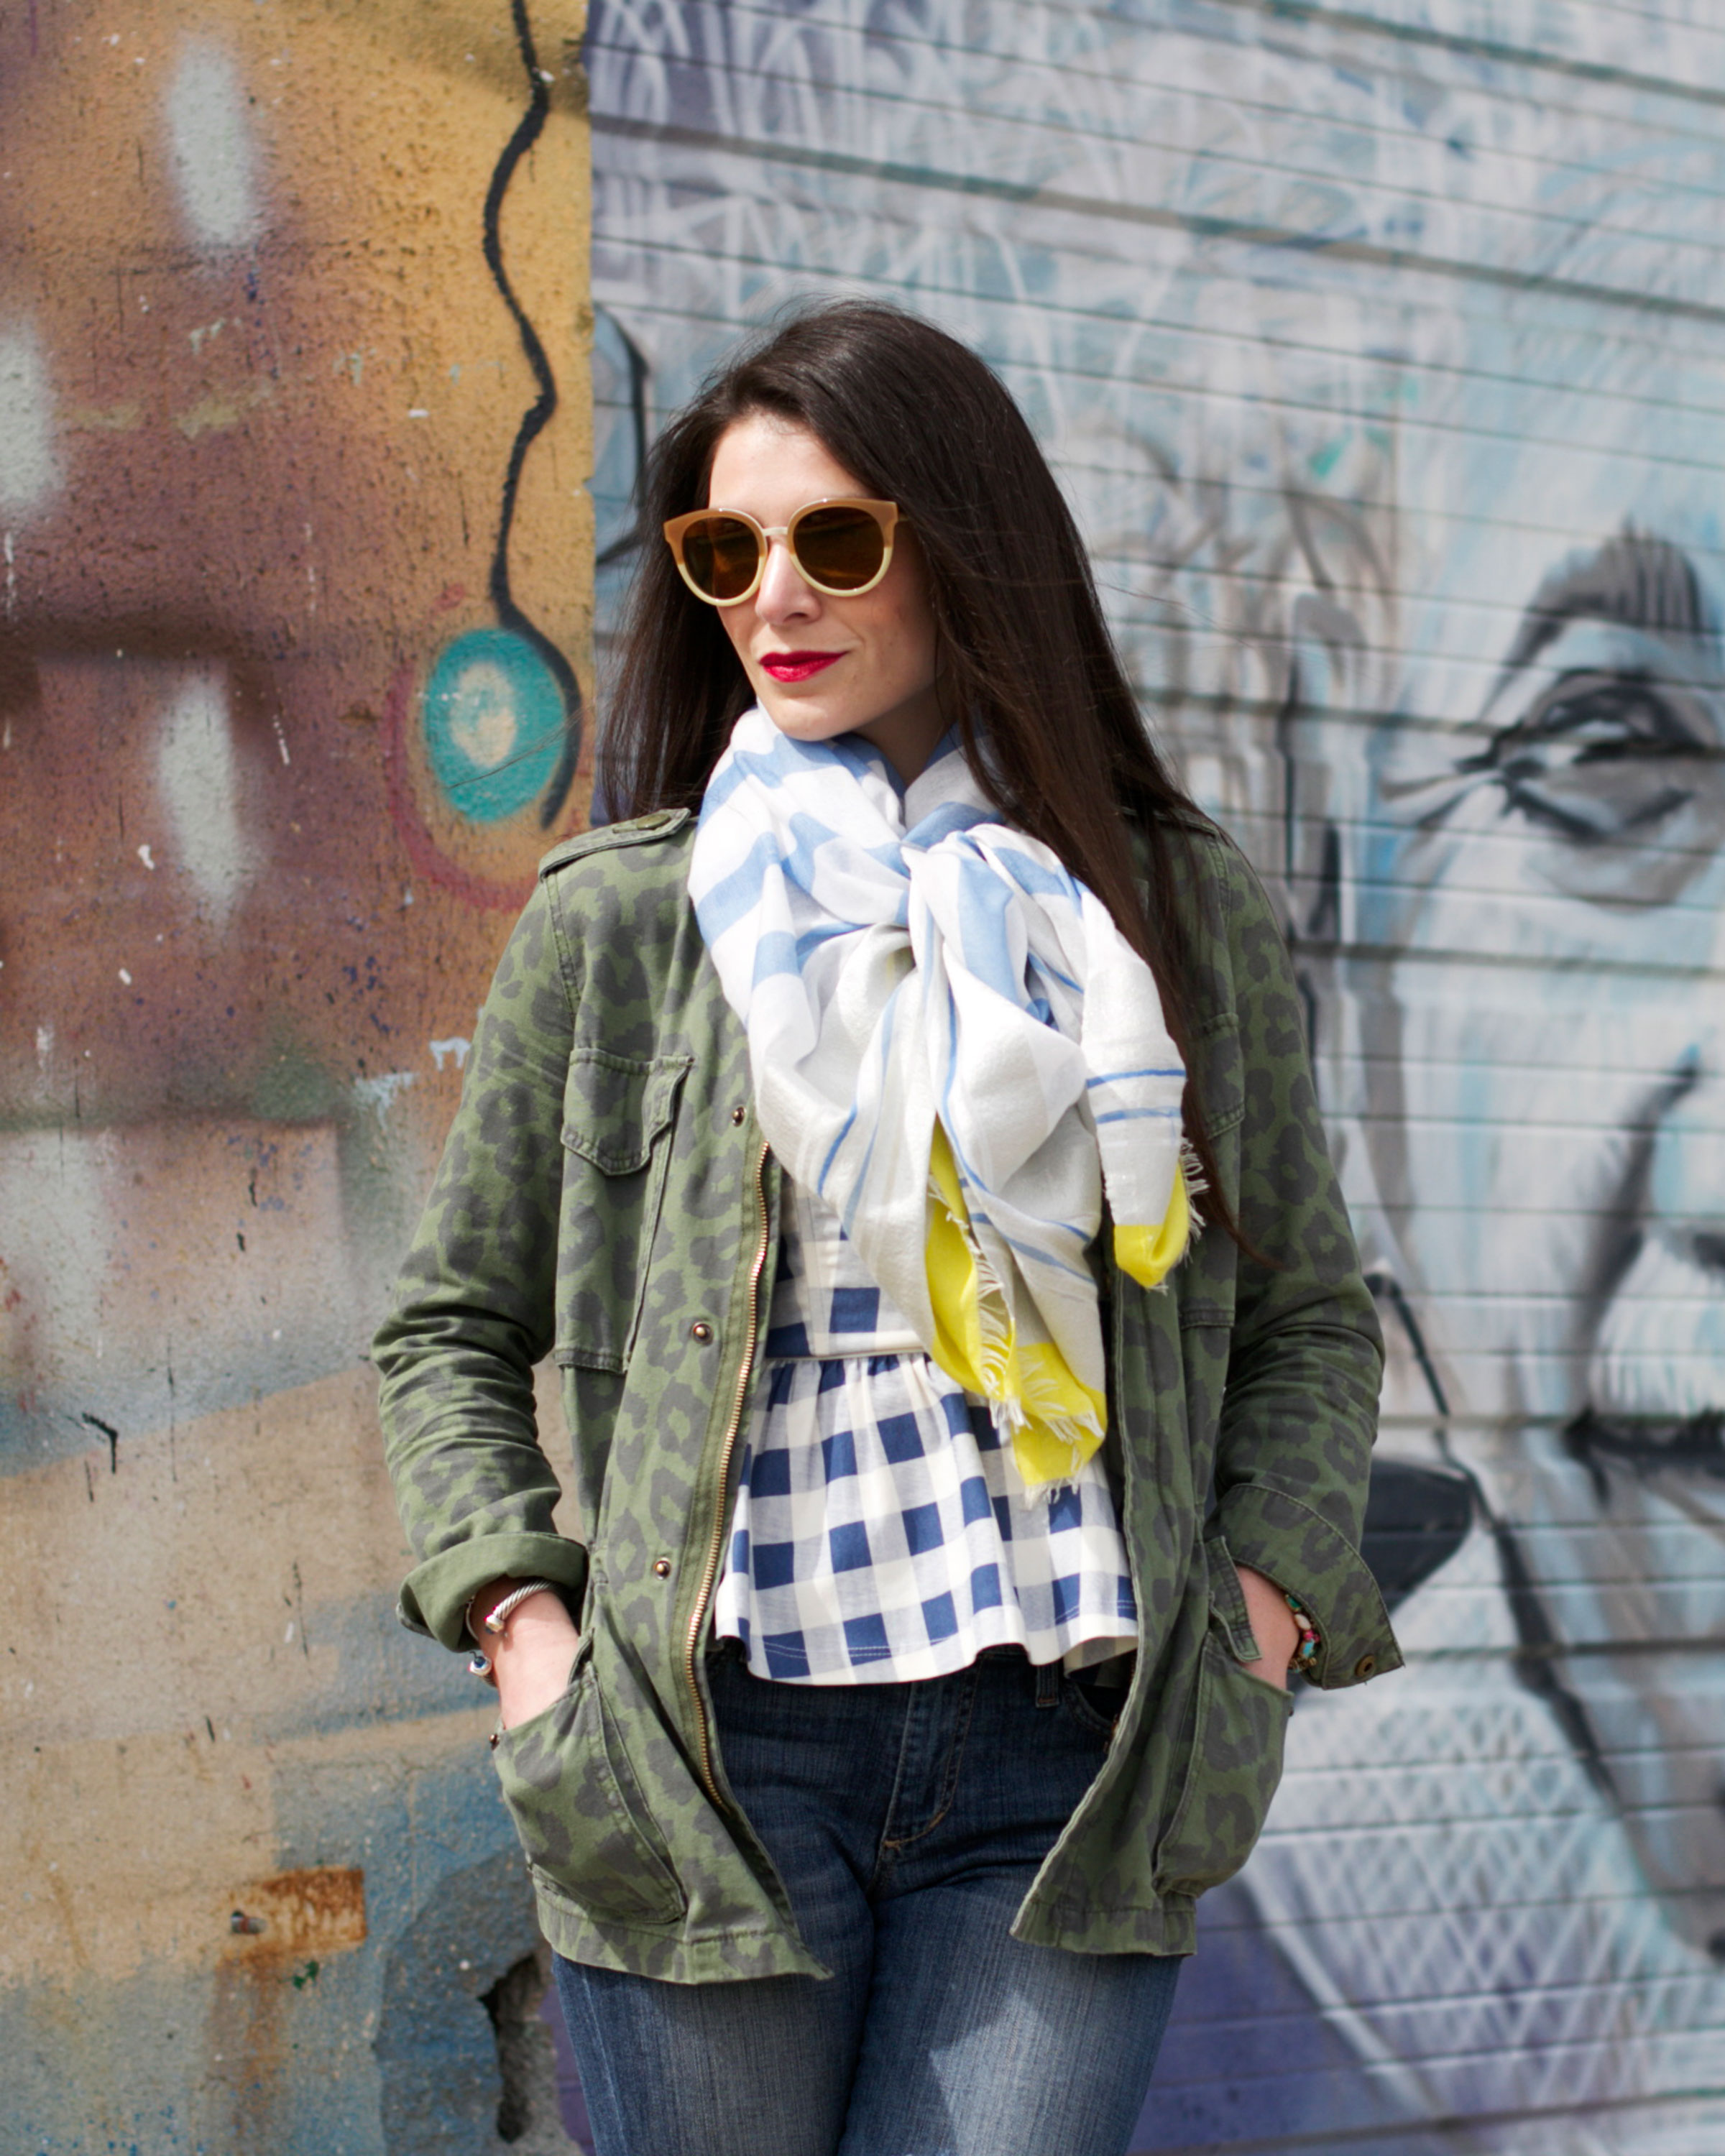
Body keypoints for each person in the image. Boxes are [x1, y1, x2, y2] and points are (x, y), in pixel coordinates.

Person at [372, 300, 1397, 2156]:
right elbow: (446, 1322)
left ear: (966, 546)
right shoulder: (626, 926)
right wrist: (526, 1639)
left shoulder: (1158, 911)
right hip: (709, 1760)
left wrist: (1251, 1624)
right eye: (726, 549)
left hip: (1058, 1763)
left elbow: (1314, 1314)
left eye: (836, 539)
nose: (775, 591)